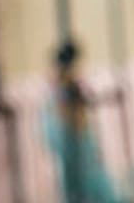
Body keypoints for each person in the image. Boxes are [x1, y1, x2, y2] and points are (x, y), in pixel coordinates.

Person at [43, 40, 122, 202]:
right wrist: (110, 97)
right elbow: (85, 99)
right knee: (85, 177)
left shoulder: (58, 81)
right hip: (73, 135)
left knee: (76, 178)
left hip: (72, 135)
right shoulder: (65, 81)